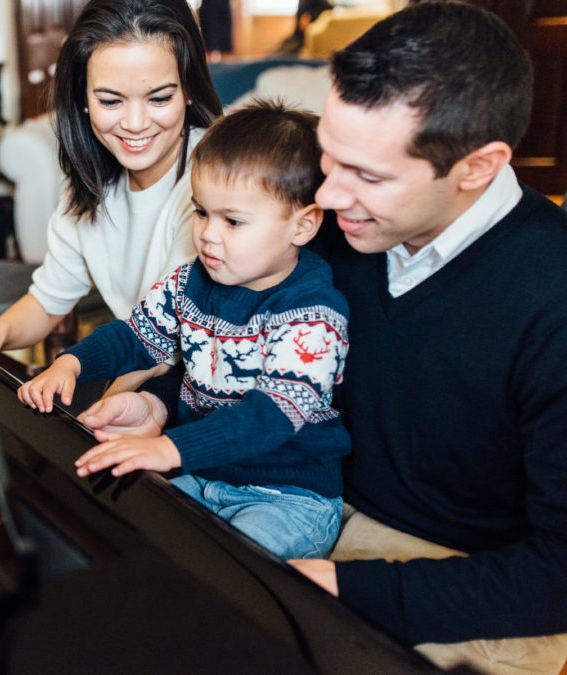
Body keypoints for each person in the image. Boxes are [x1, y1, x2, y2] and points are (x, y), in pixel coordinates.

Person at [80, 3, 567, 673]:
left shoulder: (551, 296)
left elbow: (555, 575)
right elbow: (250, 343)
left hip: (457, 581)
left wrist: (348, 588)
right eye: (329, 160)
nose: (329, 198)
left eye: (367, 175)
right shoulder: (331, 220)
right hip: (300, 497)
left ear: (477, 167)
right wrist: (164, 398)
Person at [19, 100, 351, 560]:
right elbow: (133, 337)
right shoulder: (191, 281)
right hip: (206, 472)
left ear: (303, 225)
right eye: (201, 212)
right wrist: (71, 363)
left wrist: (169, 449)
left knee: (226, 571)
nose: (208, 235)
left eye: (233, 220)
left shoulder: (312, 312)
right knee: (125, 535)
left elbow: (270, 417)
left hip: (289, 497)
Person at [0, 0, 223, 374]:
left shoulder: (216, 185)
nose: (135, 123)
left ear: (189, 88)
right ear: (82, 99)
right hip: (134, 369)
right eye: (110, 101)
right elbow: (48, 302)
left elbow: (174, 346)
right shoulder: (90, 185)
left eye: (159, 98)